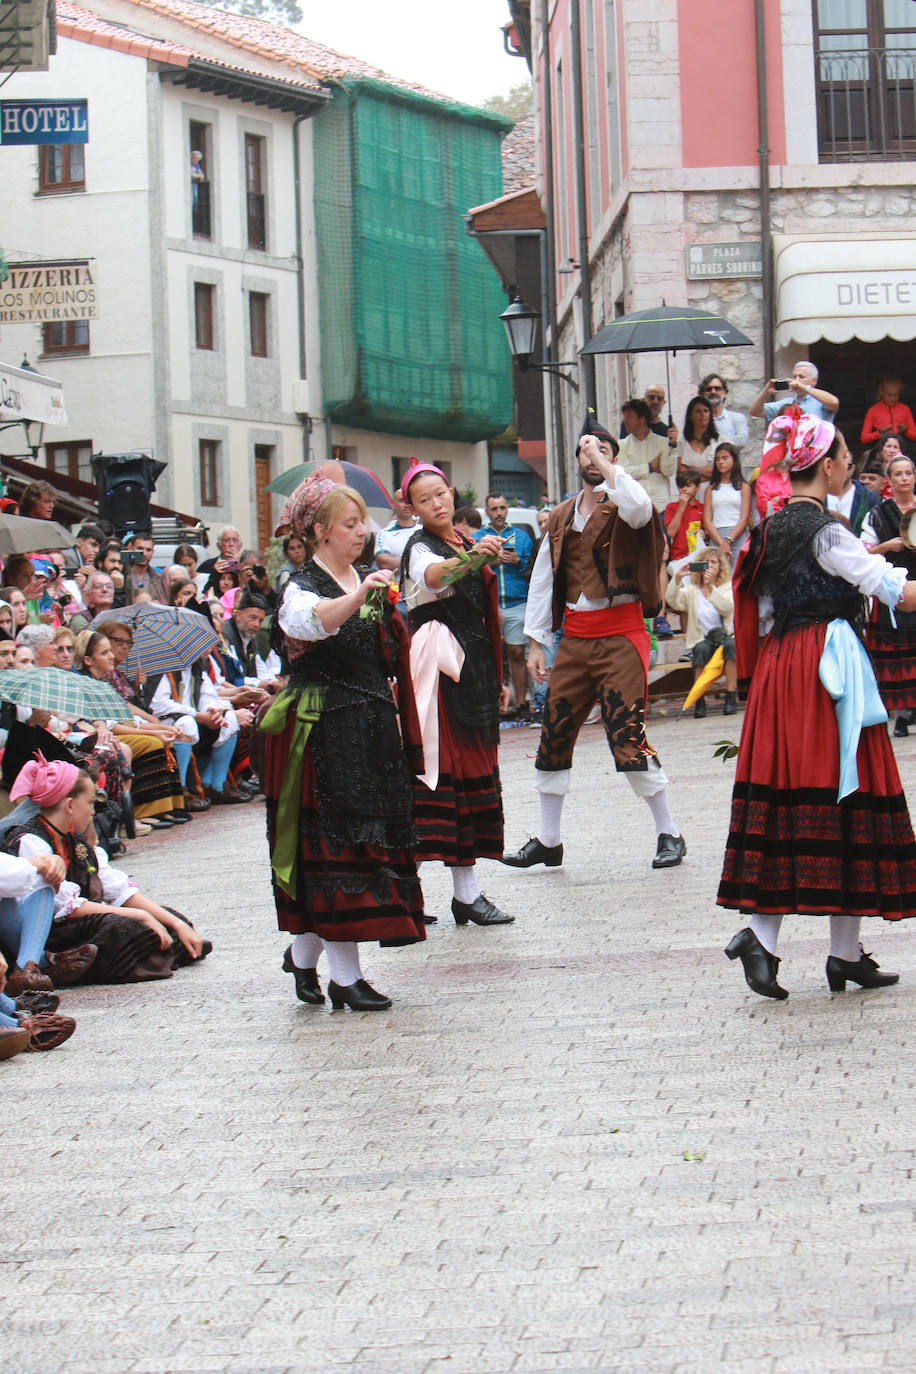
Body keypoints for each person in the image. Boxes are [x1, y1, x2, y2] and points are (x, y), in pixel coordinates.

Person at [720, 413, 916, 999]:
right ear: (826, 466)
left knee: (791, 795)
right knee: (845, 791)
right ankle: (788, 943)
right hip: (826, 668)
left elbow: (751, 603)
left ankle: (831, 951)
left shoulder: (767, 529)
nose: (851, 470)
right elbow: (892, 587)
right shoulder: (827, 533)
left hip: (786, 667)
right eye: (848, 462)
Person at [263, 474, 426, 1011]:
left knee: (358, 846)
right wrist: (362, 594)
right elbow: (309, 624)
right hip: (325, 729)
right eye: (350, 523)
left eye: (363, 522)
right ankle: (344, 978)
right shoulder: (300, 584)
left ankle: (305, 962)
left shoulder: (361, 573)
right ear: (320, 531)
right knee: (335, 850)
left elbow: (375, 647)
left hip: (370, 723)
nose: (363, 531)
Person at [502, 412, 685, 873]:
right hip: (576, 639)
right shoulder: (562, 515)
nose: (591, 456)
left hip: (621, 635)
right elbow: (544, 580)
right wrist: (538, 643)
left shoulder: (626, 502)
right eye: (585, 450)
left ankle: (669, 833)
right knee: (553, 734)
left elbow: (642, 505)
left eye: (602, 449)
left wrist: (605, 464)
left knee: (627, 734)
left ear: (614, 457)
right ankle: (549, 839)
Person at [399, 460, 515, 926]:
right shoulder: (420, 549)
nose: (437, 503)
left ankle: (451, 893)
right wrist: (474, 558)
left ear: (452, 493)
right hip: (439, 677)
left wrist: (499, 677)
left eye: (441, 493)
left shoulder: (463, 540)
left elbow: (486, 614)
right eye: (424, 499)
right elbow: (434, 577)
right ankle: (419, 891)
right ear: (412, 508)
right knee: (443, 780)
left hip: (473, 666)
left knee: (460, 780)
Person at [2, 757, 210, 983]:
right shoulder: (31, 841)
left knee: (168, 917)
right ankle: (49, 964)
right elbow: (66, 906)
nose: (93, 812)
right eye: (91, 803)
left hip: (79, 923)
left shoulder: (75, 840)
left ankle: (161, 949)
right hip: (52, 932)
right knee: (121, 928)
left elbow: (116, 888)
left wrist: (175, 923)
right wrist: (140, 915)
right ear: (70, 805)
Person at [77, 631, 188, 829]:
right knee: (153, 743)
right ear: (88, 659)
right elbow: (111, 724)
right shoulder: (86, 685)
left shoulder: (103, 682)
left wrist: (161, 727)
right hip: (100, 735)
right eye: (104, 653)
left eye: (110, 651)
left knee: (164, 739)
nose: (111, 656)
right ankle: (139, 812)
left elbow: (126, 716)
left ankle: (165, 808)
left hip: (121, 728)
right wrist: (154, 731)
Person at [861, 453, 916, 736]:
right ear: (889, 480)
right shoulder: (877, 514)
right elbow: (862, 552)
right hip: (893, 591)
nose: (904, 478)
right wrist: (886, 547)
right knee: (897, 652)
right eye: (899, 474)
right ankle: (902, 713)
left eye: (909, 473)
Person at [475, 492, 535, 718]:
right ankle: (492, 704)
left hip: (516, 602)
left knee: (517, 653)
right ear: (487, 512)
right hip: (487, 605)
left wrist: (518, 563)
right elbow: (470, 569)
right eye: (494, 509)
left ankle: (521, 704)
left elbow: (532, 570)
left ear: (507, 509)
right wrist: (486, 561)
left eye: (502, 508)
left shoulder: (520, 536)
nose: (499, 513)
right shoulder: (478, 537)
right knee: (487, 656)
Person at [666, 549, 736, 716]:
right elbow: (672, 601)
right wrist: (677, 577)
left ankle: (730, 697)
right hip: (701, 639)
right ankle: (699, 699)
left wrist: (711, 586)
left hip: (723, 636)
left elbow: (727, 608)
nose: (709, 566)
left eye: (714, 562)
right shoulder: (691, 590)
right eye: (706, 563)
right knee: (701, 650)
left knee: (731, 647)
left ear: (720, 566)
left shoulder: (726, 588)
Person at [618, 398, 676, 510]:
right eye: (624, 416)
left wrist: (672, 445)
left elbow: (668, 471)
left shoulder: (663, 442)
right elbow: (624, 474)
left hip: (660, 507)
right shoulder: (621, 445)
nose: (625, 420)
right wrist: (649, 467)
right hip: (635, 508)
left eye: (629, 416)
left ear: (642, 418)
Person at [749, 361, 839, 424]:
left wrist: (804, 387)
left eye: (801, 377)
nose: (796, 380)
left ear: (814, 381)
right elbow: (755, 412)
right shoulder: (787, 403)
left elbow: (834, 403)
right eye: (795, 376)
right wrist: (766, 392)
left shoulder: (819, 402)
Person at [703, 442, 751, 558]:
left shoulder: (744, 487)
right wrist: (721, 542)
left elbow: (744, 519)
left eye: (725, 458)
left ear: (734, 460)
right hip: (716, 536)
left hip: (738, 536)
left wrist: (728, 540)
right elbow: (707, 520)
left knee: (738, 574)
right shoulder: (710, 489)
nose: (720, 462)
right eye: (718, 459)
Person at [826, 437, 881, 537]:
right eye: (836, 466)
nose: (840, 471)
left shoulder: (868, 497)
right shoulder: (820, 493)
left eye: (845, 466)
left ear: (852, 469)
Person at [664, 471, 705, 567]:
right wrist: (681, 507)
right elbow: (671, 533)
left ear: (698, 487)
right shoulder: (671, 507)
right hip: (679, 557)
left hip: (698, 557)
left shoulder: (701, 508)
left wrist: (703, 534)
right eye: (681, 486)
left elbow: (707, 532)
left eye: (688, 486)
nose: (685, 489)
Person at [861, 376, 916, 446]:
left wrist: (906, 431)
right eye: (889, 395)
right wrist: (879, 433)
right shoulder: (873, 410)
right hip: (880, 448)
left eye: (896, 395)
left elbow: (914, 435)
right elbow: (864, 438)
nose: (893, 398)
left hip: (901, 447)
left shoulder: (905, 409)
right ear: (882, 393)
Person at [698, 373, 749, 449]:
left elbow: (742, 441)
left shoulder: (737, 418)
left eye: (717, 388)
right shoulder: (697, 421)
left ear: (725, 393)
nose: (713, 392)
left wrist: (713, 441)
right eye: (709, 389)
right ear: (703, 394)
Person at [677, 396, 719, 486]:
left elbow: (720, 472)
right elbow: (682, 475)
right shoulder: (681, 444)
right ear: (691, 416)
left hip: (714, 493)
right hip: (691, 495)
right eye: (698, 411)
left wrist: (693, 469)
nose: (702, 414)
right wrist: (709, 474)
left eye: (706, 411)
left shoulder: (720, 441)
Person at [374, 488, 418, 571]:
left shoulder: (424, 529)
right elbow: (384, 563)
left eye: (408, 501)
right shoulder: (384, 534)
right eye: (402, 501)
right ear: (394, 504)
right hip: (397, 583)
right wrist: (415, 561)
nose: (406, 505)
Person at [123, 534, 165, 604]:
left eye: (148, 550)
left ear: (153, 552)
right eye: (140, 549)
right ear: (130, 549)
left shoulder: (159, 579)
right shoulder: (122, 575)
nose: (144, 554)